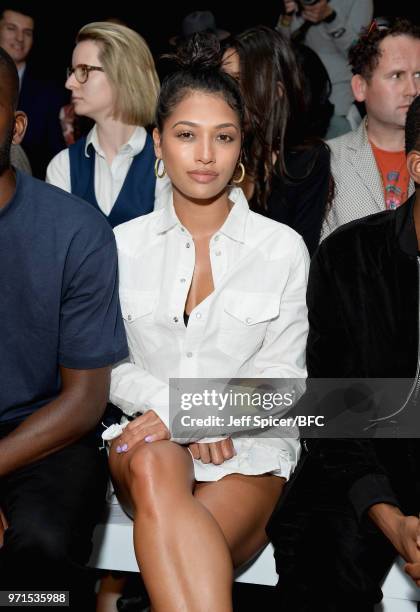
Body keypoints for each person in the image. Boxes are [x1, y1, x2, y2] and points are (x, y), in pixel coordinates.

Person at [104, 34, 309, 611]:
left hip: (248, 449)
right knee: (150, 460)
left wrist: (209, 415)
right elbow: (110, 364)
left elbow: (284, 380)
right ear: (158, 144)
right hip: (149, 440)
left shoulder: (281, 248)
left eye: (223, 137)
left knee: (187, 563)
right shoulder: (120, 247)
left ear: (241, 146)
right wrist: (184, 416)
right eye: (186, 135)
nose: (204, 155)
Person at [267, 94, 420, 611]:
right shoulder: (351, 256)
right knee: (320, 554)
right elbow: (331, 409)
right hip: (360, 460)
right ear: (418, 166)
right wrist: (389, 518)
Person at [0, 47, 128, 609]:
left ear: (17, 124)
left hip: (44, 436)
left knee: (41, 562)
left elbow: (83, 400)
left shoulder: (75, 230)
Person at [222, 26, 332, 256]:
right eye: (223, 79)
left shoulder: (306, 160)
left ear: (277, 89)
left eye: (239, 79)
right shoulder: (216, 148)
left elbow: (300, 255)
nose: (226, 91)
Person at [47, 22, 166, 228]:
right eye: (72, 71)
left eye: (83, 70)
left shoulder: (166, 163)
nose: (69, 83)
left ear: (121, 75)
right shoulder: (62, 166)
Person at [322, 17, 420, 238]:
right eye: (396, 76)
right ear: (360, 87)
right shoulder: (328, 160)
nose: (412, 89)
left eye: (419, 75)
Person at [277, 0, 373, 138]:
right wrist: (286, 16)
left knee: (338, 146)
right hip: (301, 92)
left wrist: (331, 17)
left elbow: (357, 51)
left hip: (339, 95)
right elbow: (282, 48)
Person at [0, 4, 66, 178]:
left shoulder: (50, 93)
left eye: (27, 32)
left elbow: (55, 154)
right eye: (11, 28)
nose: (20, 38)